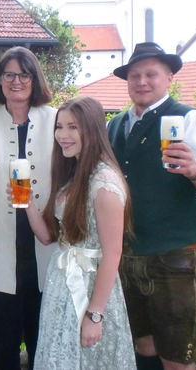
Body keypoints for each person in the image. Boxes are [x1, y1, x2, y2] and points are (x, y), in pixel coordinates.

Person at [106, 43, 196, 370]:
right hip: (128, 255)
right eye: (135, 75)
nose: (142, 81)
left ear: (169, 77)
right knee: (142, 345)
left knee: (176, 358)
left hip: (175, 256)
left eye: (151, 74)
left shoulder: (191, 120)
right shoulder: (115, 125)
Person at [22, 96, 136, 369]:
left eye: (73, 127)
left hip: (89, 288)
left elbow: (112, 253)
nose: (63, 135)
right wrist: (26, 201)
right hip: (60, 285)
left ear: (92, 128)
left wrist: (95, 315)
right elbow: (48, 236)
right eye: (59, 127)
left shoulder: (104, 182)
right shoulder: (73, 173)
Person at [0, 46, 57, 370]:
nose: (16, 81)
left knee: (43, 341)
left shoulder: (56, 119)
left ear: (35, 78)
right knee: (3, 344)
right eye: (8, 74)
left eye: (24, 73)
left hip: (43, 244)